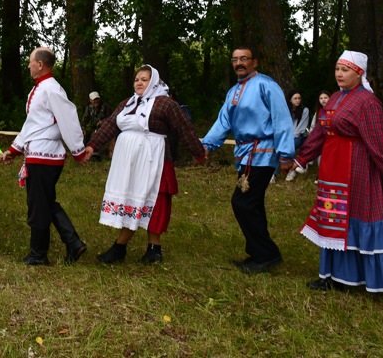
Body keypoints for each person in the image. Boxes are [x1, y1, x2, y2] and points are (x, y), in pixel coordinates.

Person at [282, 50, 383, 293]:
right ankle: (333, 275)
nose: (339, 74)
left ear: (359, 73)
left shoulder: (368, 102)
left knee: (359, 217)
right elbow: (319, 133)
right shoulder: (334, 98)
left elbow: (378, 143)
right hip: (332, 169)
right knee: (334, 218)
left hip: (358, 169)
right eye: (337, 69)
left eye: (345, 70)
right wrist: (302, 158)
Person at [86, 65, 206, 264]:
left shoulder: (166, 104)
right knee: (132, 200)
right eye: (136, 79)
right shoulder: (128, 103)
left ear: (155, 82)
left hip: (155, 158)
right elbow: (110, 124)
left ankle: (146, 248)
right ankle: (134, 249)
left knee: (155, 200)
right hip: (128, 162)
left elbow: (185, 129)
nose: (139, 83)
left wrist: (198, 154)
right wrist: (92, 146)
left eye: (144, 79)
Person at [201, 46, 295, 274]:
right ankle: (259, 254)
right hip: (245, 155)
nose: (239, 63)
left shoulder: (267, 85)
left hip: (263, 152)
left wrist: (285, 154)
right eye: (235, 59)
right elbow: (223, 121)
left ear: (255, 62)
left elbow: (282, 119)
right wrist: (206, 145)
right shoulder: (233, 91)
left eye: (244, 58)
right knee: (252, 204)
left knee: (243, 202)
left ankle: (267, 255)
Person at [0, 47, 87, 266]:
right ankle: (73, 243)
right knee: (45, 202)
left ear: (40, 64)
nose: (28, 65)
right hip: (38, 153)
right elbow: (32, 125)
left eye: (30, 62)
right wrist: (14, 150)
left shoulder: (51, 89)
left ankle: (39, 254)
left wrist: (78, 151)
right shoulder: (39, 89)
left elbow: (68, 118)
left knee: (39, 204)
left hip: (45, 156)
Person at [283, 90, 310, 181]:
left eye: (299, 98)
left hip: (299, 137)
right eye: (295, 98)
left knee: (290, 146)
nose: (298, 100)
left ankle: (291, 170)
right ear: (290, 100)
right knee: (278, 148)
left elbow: (301, 128)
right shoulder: (286, 110)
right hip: (287, 137)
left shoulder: (304, 110)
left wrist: (289, 139)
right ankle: (274, 174)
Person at [82, 91, 111, 161]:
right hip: (94, 128)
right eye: (94, 99)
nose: (96, 101)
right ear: (90, 100)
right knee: (84, 135)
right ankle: (84, 154)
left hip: (104, 128)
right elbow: (85, 119)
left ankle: (95, 155)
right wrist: (83, 128)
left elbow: (111, 118)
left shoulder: (105, 107)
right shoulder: (89, 108)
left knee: (95, 135)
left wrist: (103, 121)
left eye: (97, 99)